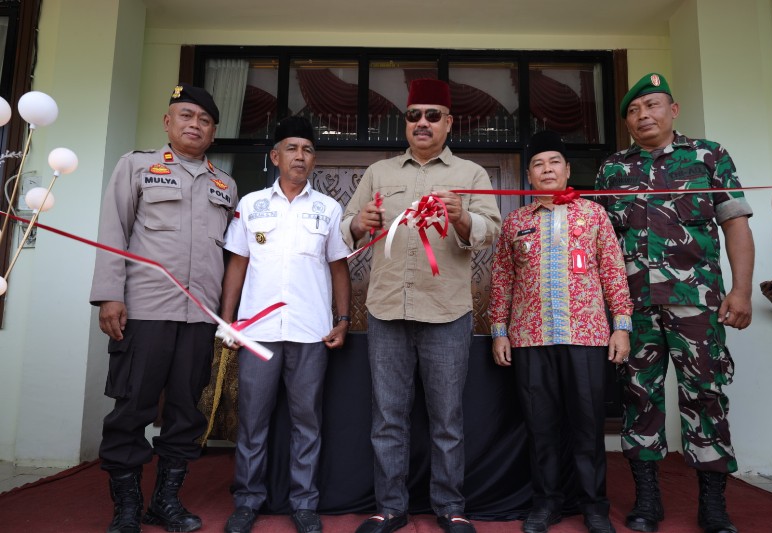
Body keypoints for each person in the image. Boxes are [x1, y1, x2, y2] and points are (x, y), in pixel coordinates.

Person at [595, 73, 755, 533]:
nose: (643, 115)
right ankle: (647, 500)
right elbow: (602, 243)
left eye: (652, 105)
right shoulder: (613, 169)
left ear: (673, 109)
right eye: (633, 110)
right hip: (632, 307)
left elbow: (736, 224)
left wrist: (741, 290)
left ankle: (713, 505)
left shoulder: (708, 156)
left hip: (696, 302)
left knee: (706, 394)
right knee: (638, 395)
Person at [342, 79, 501, 533]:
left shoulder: (471, 173)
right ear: (406, 122)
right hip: (386, 309)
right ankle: (390, 507)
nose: (423, 123)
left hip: (446, 312)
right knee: (387, 417)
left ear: (449, 123)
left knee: (447, 418)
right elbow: (344, 228)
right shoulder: (379, 172)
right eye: (414, 115)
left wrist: (462, 217)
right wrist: (359, 223)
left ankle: (450, 506)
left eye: (433, 115)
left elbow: (491, 231)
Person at [90, 84, 237, 533]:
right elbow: (113, 231)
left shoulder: (225, 184)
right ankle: (127, 507)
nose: (195, 124)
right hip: (145, 310)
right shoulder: (136, 166)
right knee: (132, 408)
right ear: (167, 122)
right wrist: (109, 294)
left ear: (213, 132)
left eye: (205, 120)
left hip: (200, 316)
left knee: (186, 412)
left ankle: (165, 502)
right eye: (186, 115)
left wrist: (228, 314)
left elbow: (232, 256)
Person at [489, 131, 632, 533]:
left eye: (554, 162)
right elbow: (501, 279)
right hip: (530, 338)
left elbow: (613, 272)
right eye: (539, 164)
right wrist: (499, 330)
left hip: (586, 336)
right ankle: (546, 502)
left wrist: (621, 326)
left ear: (568, 170)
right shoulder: (516, 221)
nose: (547, 170)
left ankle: (594, 506)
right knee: (541, 427)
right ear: (529, 175)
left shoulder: (594, 215)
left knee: (588, 425)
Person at [221, 116, 352, 533]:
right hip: (257, 332)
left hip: (310, 331)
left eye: (308, 150)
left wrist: (343, 320)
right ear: (275, 156)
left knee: (306, 422)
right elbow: (237, 264)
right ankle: (247, 500)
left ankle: (304, 503)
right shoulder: (250, 205)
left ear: (314, 160)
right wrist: (228, 320)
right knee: (252, 421)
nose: (300, 156)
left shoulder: (328, 209)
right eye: (292, 149)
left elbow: (339, 268)